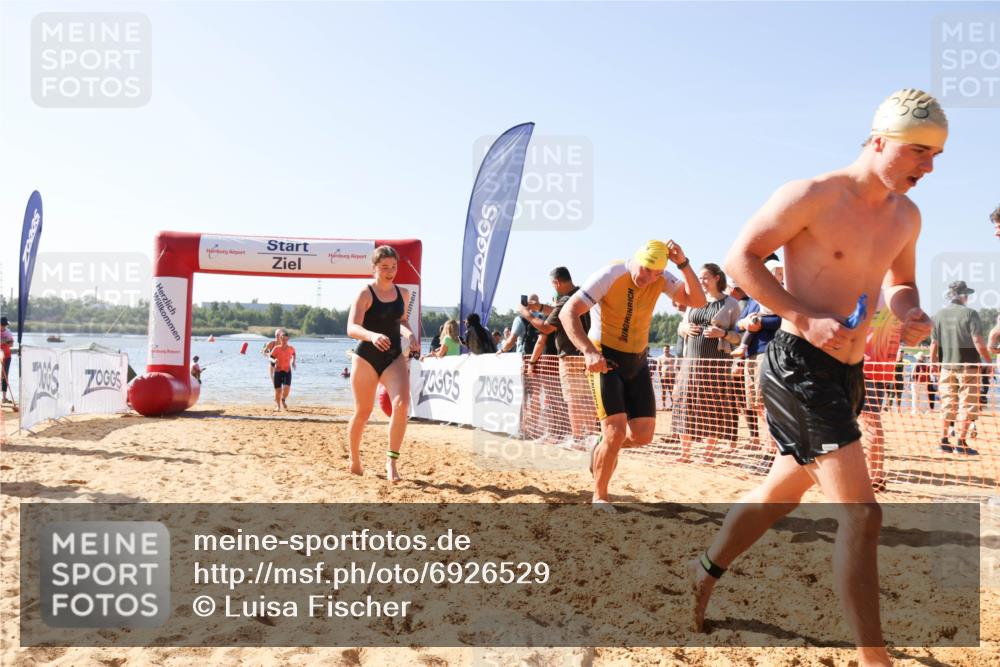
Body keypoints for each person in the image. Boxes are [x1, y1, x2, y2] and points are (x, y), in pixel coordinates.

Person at [690, 89, 944, 667]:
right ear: (879, 141)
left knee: (779, 495)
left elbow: (900, 282)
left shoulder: (907, 215)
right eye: (917, 152)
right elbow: (740, 260)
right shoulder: (810, 194)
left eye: (935, 157)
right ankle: (872, 659)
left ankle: (706, 568)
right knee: (862, 513)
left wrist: (910, 315)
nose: (927, 168)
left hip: (848, 374)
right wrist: (803, 317)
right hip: (797, 365)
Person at [560, 239, 705, 509]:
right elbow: (569, 312)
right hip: (606, 358)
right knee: (615, 431)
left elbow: (697, 300)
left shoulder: (662, 278)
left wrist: (683, 264)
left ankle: (604, 447)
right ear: (636, 259)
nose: (648, 278)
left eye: (656, 273)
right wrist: (589, 352)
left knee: (642, 436)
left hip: (637, 361)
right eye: (645, 269)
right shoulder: (611, 275)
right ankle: (600, 497)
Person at [347, 245, 420, 482]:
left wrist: (409, 334)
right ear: (374, 268)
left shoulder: (404, 294)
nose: (390, 272)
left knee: (401, 405)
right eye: (384, 267)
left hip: (394, 357)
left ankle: (391, 462)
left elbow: (400, 321)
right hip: (367, 356)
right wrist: (372, 335)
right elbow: (352, 328)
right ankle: (355, 459)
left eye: (394, 267)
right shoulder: (365, 294)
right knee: (363, 412)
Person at [672, 263, 743, 463]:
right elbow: (681, 326)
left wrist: (723, 333)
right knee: (686, 403)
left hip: (716, 363)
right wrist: (684, 328)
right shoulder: (694, 300)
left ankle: (708, 454)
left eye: (704, 278)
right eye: (700, 278)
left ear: (716, 278)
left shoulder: (731, 304)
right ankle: (684, 453)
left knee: (711, 405)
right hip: (691, 361)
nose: (701, 281)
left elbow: (740, 337)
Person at [929, 280, 992, 455]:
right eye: (967, 295)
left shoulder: (938, 315)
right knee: (968, 403)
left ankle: (944, 441)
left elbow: (933, 344)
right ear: (963, 296)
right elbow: (978, 341)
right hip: (969, 366)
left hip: (946, 366)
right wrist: (988, 361)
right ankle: (961, 443)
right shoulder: (970, 314)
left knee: (948, 403)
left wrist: (933, 364)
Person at [270, 333, 296, 411]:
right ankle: (278, 406)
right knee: (278, 391)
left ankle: (283, 399)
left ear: (288, 339)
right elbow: (270, 358)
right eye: (282, 339)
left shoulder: (291, 348)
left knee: (286, 389)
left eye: (286, 339)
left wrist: (293, 362)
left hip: (287, 371)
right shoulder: (276, 348)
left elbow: (294, 354)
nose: (284, 341)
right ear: (280, 339)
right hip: (278, 371)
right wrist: (274, 360)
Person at [656, 345, 677, 409]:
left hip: (671, 377)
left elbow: (676, 366)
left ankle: (673, 405)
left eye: (667, 349)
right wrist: (660, 376)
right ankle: (663, 405)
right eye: (665, 349)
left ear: (669, 350)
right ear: (663, 350)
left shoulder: (673, 357)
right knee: (664, 391)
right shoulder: (660, 357)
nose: (666, 350)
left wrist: (675, 375)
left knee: (671, 391)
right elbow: (659, 368)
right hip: (664, 377)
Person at [0, 317, 13, 403]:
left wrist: (6, 342)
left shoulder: (8, 332)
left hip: (7, 356)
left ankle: (4, 398)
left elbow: (11, 344)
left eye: (5, 325)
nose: (3, 327)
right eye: (2, 325)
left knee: (5, 376)